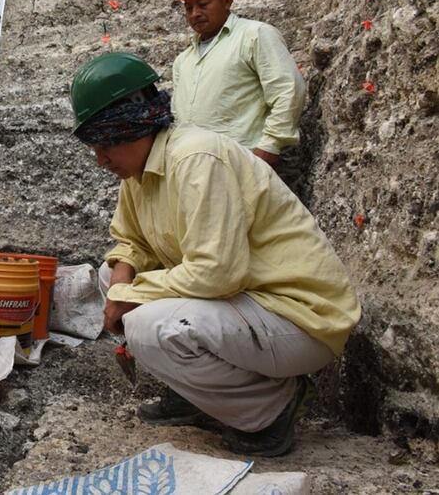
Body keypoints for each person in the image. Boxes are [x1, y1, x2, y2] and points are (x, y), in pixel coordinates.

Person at [69, 52, 360, 457]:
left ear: (133, 127)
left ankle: (272, 408)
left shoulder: (196, 159)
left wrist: (130, 296)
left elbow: (217, 274)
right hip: (247, 304)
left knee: (151, 326)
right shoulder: (139, 172)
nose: (100, 160)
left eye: (105, 145)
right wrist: (120, 286)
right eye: (94, 147)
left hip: (299, 318)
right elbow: (130, 242)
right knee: (111, 275)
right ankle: (198, 394)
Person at [171, 0, 306, 168]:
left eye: (203, 4)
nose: (194, 13)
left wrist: (269, 148)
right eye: (188, 8)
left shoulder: (255, 35)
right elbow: (177, 117)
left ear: (227, 1)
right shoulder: (183, 61)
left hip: (244, 165)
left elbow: (288, 90)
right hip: (195, 170)